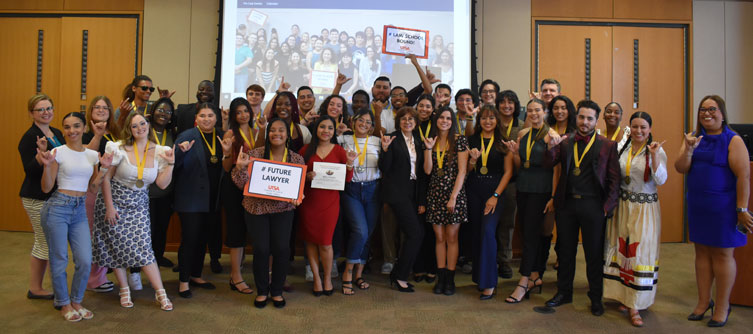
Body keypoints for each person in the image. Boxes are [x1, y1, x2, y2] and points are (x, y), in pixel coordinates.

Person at [675, 95, 752, 327]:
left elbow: (743, 177)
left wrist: (742, 208)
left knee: (722, 255)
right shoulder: (693, 136)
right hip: (699, 205)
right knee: (701, 253)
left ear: (722, 113)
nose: (707, 113)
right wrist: (688, 149)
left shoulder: (733, 139)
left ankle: (722, 306)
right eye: (702, 110)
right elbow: (680, 168)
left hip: (724, 208)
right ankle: (702, 302)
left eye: (712, 109)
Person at [544, 100, 620, 317]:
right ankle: (563, 292)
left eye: (589, 118)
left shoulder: (607, 145)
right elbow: (549, 163)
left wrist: (607, 208)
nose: (584, 122)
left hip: (594, 206)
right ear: (576, 118)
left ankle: (596, 298)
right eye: (581, 117)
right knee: (565, 251)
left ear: (596, 121)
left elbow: (615, 181)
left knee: (593, 255)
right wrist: (551, 146)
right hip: (567, 205)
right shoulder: (566, 141)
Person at [91, 112, 175, 311]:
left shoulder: (160, 150)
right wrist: (110, 207)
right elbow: (106, 179)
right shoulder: (118, 147)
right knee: (117, 246)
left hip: (139, 203)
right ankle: (124, 289)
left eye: (143, 123)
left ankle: (160, 293)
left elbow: (162, 184)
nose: (140, 128)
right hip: (114, 200)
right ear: (129, 128)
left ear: (148, 125)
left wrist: (171, 163)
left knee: (144, 248)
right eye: (135, 125)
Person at [38, 112, 109, 321]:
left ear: (85, 128)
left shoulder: (92, 155)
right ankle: (64, 303)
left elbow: (93, 188)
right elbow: (46, 188)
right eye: (67, 127)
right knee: (59, 259)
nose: (72, 131)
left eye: (76, 126)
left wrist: (104, 168)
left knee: (85, 260)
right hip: (57, 207)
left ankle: (76, 300)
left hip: (78, 210)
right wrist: (47, 166)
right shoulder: (57, 152)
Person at [603, 111, 667, 327]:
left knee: (639, 253)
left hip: (645, 209)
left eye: (643, 127)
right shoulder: (624, 147)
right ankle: (624, 296)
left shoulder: (656, 150)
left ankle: (636, 304)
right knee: (622, 251)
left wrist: (656, 156)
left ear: (650, 129)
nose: (639, 131)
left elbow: (661, 179)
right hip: (622, 205)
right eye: (635, 127)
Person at [232, 118, 304, 308]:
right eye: (272, 130)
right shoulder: (254, 154)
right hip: (256, 209)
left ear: (287, 135)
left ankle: (277, 291)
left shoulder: (296, 159)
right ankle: (263, 291)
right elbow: (241, 184)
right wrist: (239, 168)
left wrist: (298, 198)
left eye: (281, 130)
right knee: (261, 250)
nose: (276, 134)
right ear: (267, 133)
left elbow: (298, 190)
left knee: (281, 249)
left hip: (283, 210)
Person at [505, 98, 559, 303]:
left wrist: (553, 196)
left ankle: (524, 281)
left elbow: (556, 170)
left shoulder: (551, 136)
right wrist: (515, 153)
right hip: (524, 188)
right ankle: (535, 275)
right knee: (526, 232)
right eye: (529, 111)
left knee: (531, 235)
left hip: (541, 190)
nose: (533, 114)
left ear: (545, 112)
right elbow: (520, 165)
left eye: (537, 110)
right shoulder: (522, 134)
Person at [298, 115, 356, 296]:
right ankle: (316, 278)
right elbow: (297, 177)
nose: (326, 131)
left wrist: (350, 164)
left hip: (330, 203)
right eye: (322, 127)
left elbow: (347, 179)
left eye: (330, 128)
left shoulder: (339, 151)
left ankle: (327, 279)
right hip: (309, 202)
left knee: (325, 243)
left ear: (334, 131)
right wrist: (306, 177)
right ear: (316, 129)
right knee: (310, 242)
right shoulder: (305, 150)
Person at [173, 104, 225, 298]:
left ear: (216, 118)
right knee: (190, 240)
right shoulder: (187, 136)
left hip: (212, 198)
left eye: (210, 115)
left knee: (203, 238)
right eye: (202, 115)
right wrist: (181, 153)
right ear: (196, 118)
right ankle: (184, 281)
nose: (206, 119)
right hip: (191, 198)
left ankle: (196, 274)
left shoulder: (221, 136)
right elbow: (173, 165)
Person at [18, 94, 64, 300]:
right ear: (31, 114)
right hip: (36, 197)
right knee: (44, 243)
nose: (46, 112)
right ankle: (36, 288)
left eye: (49, 108)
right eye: (41, 109)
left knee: (44, 242)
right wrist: (39, 159)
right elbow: (29, 170)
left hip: (53, 196)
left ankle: (36, 287)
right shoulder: (29, 137)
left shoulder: (56, 133)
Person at [467, 105, 513, 299]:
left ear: (497, 120)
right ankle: (480, 277)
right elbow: (466, 171)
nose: (487, 122)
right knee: (477, 234)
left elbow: (509, 172)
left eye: (491, 118)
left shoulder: (504, 143)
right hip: (474, 189)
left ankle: (489, 283)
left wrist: (495, 196)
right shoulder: (472, 140)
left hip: (495, 191)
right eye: (484, 118)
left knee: (487, 232)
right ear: (479, 121)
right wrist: (472, 161)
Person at [220, 97, 265, 296]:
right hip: (234, 187)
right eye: (238, 112)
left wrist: (263, 131)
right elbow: (227, 167)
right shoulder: (230, 133)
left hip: (255, 187)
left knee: (254, 230)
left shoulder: (257, 132)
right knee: (236, 230)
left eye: (245, 111)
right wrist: (228, 153)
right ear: (233, 115)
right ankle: (235, 276)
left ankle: (257, 274)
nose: (243, 115)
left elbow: (262, 157)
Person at [379, 107, 427, 292]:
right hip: (397, 193)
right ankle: (400, 276)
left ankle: (399, 273)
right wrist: (385, 149)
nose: (407, 121)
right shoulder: (392, 138)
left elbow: (421, 173)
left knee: (414, 234)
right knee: (415, 234)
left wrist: (421, 200)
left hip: (413, 192)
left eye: (411, 119)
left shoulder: (418, 140)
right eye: (404, 119)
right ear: (398, 121)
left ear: (415, 122)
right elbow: (385, 167)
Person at [422, 106, 469, 295]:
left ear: (453, 121)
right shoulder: (431, 140)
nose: (445, 121)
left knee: (452, 237)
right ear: (436, 120)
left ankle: (450, 279)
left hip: (454, 195)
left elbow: (463, 171)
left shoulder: (459, 140)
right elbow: (427, 170)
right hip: (435, 194)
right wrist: (428, 149)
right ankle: (440, 278)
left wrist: (453, 197)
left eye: (448, 118)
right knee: (439, 238)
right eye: (441, 118)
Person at [338, 110, 382, 294]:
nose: (364, 124)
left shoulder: (377, 142)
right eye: (361, 120)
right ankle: (348, 271)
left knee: (368, 233)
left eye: (368, 122)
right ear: (354, 122)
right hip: (352, 190)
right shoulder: (343, 140)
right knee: (360, 230)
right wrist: (337, 132)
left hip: (373, 190)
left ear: (372, 126)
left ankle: (359, 274)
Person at [81, 96, 119, 293]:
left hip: (110, 189)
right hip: (91, 189)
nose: (102, 110)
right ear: (91, 110)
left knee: (103, 234)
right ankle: (93, 279)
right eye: (97, 107)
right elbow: (83, 156)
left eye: (106, 107)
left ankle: (99, 274)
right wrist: (97, 136)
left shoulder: (113, 134)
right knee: (91, 236)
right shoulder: (85, 132)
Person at [145, 98, 177, 269]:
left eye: (168, 112)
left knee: (161, 226)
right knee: (146, 228)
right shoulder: (143, 130)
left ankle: (158, 256)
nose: (163, 114)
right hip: (145, 191)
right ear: (153, 111)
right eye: (160, 110)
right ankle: (142, 260)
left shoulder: (173, 135)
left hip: (165, 190)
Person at [494, 90, 522, 279]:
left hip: (512, 181)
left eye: (510, 102)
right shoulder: (491, 123)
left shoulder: (521, 126)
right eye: (502, 102)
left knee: (507, 223)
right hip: (491, 178)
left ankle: (504, 260)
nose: (506, 105)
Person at [412, 94, 438, 283]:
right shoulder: (410, 127)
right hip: (415, 181)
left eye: (428, 106)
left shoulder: (437, 128)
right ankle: (418, 266)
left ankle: (432, 267)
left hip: (435, 181)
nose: (424, 109)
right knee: (418, 227)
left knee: (433, 229)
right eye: (421, 105)